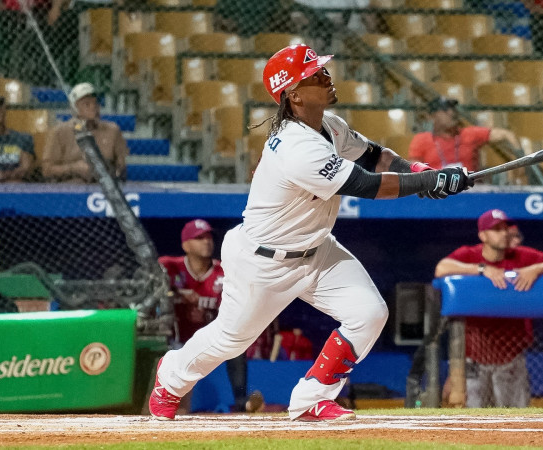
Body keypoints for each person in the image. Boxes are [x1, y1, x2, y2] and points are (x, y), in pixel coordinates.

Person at [149, 43, 471, 422]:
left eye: (323, 69)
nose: (326, 75)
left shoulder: (328, 124)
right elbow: (366, 185)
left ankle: (312, 397)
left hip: (316, 249)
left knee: (368, 313)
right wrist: (430, 181)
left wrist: (418, 171)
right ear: (294, 93)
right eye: (315, 74)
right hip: (263, 261)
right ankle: (170, 379)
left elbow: (374, 156)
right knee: (231, 339)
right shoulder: (297, 147)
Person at [434, 209, 543, 407]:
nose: (504, 233)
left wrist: (535, 269)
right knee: (474, 422)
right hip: (474, 358)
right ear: (483, 235)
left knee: (516, 421)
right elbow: (442, 268)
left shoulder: (520, 255)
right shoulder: (469, 254)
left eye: (505, 228)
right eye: (496, 229)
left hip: (511, 358)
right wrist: (482, 269)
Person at [158, 219, 261, 414]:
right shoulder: (170, 267)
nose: (206, 242)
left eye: (208, 237)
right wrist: (177, 293)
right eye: (199, 238)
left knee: (237, 347)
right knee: (167, 353)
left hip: (213, 337)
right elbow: (148, 278)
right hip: (178, 339)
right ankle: (169, 401)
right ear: (185, 245)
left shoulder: (224, 270)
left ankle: (243, 403)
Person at [407, 97, 522, 173]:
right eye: (445, 110)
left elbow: (507, 135)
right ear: (432, 116)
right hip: (438, 191)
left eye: (452, 109)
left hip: (470, 189)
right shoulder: (421, 140)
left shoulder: (469, 134)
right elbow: (413, 170)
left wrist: (520, 165)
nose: (452, 113)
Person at [42, 83, 128, 183]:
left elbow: (121, 167)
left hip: (104, 186)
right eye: (87, 104)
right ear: (75, 109)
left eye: (95, 103)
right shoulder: (60, 132)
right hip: (70, 187)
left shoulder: (112, 130)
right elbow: (47, 170)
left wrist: (110, 172)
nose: (93, 107)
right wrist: (74, 168)